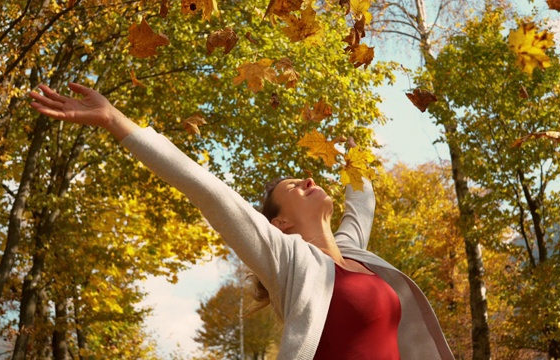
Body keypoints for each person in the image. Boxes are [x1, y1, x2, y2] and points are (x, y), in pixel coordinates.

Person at [29, 82, 454, 360]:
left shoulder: (356, 253)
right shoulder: (290, 261)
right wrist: (114, 120)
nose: (309, 178)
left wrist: (351, 151)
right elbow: (209, 191)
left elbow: (361, 200)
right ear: (280, 223)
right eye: (294, 185)